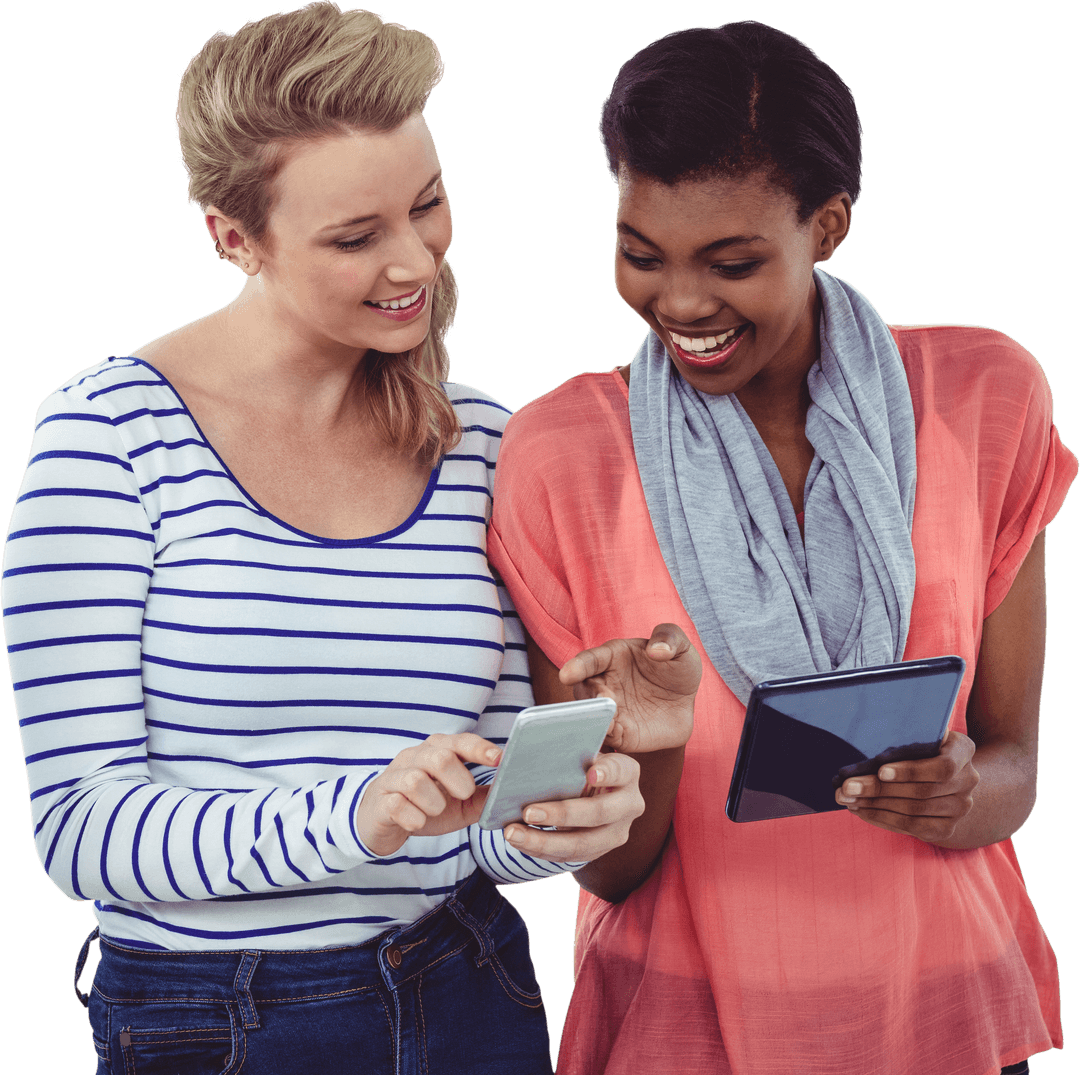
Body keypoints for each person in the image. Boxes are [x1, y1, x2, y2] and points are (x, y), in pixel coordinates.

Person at [2, 5, 682, 1072]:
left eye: (428, 204)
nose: (414, 262)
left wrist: (556, 822)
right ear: (234, 238)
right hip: (214, 1022)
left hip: (468, 986)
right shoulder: (110, 437)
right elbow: (83, 831)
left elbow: (483, 815)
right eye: (356, 238)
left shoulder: (484, 442)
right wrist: (355, 816)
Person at [488, 21, 1074, 1075]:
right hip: (690, 1028)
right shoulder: (560, 455)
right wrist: (654, 738)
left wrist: (958, 794)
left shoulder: (985, 398)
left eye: (733, 262)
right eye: (640, 254)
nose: (681, 303)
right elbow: (607, 870)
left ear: (829, 225)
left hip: (947, 1010)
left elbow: (1016, 767)